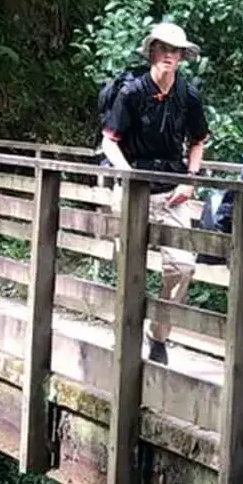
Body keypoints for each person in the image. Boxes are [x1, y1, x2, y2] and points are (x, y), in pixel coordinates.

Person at [101, 20, 209, 365]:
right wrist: (128, 175)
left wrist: (190, 180)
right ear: (152, 52)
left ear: (181, 57)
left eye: (174, 51)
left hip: (171, 190)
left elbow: (198, 141)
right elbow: (109, 141)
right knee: (128, 262)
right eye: (162, 49)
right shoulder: (132, 93)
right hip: (134, 189)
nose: (168, 56)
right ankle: (126, 329)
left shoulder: (188, 96)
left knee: (183, 266)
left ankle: (159, 336)